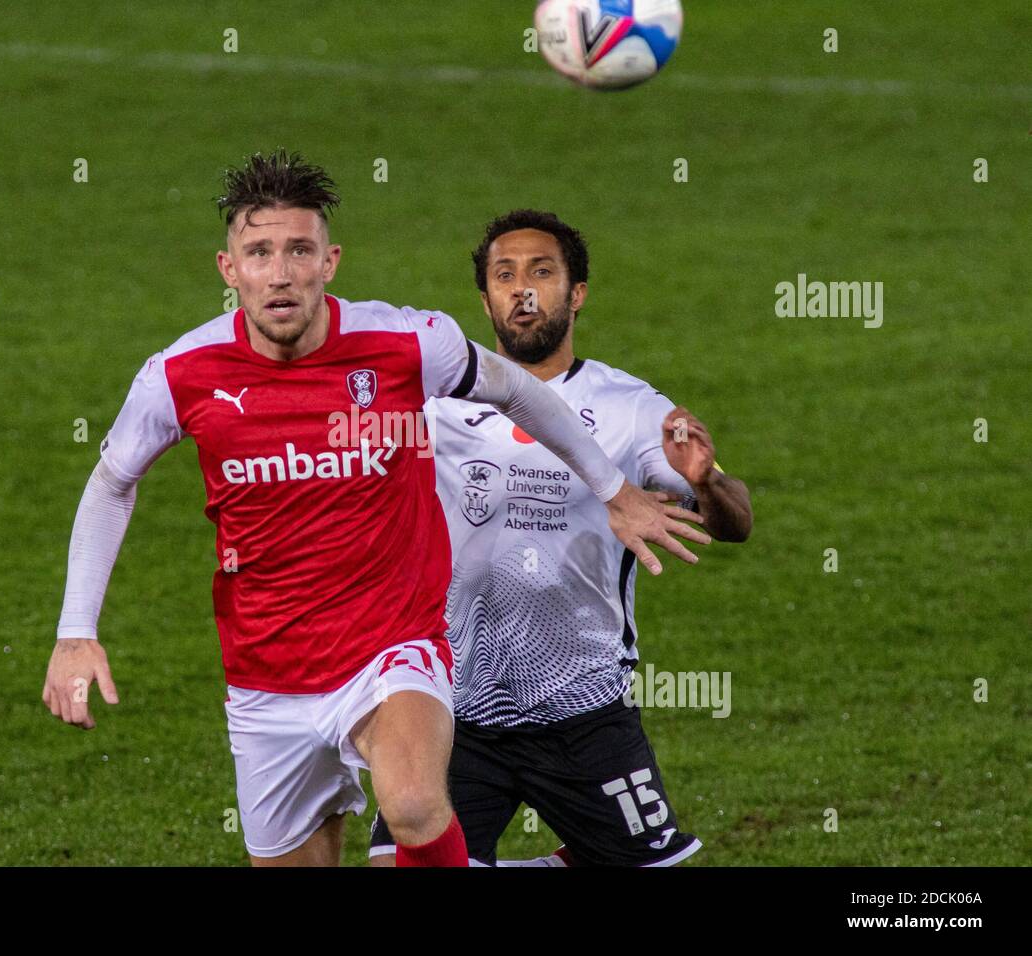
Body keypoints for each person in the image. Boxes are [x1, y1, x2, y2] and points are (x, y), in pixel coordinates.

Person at [42, 156, 708, 867]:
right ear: (228, 269)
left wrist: (612, 489)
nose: (281, 272)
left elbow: (517, 389)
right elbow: (113, 481)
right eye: (259, 253)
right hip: (267, 674)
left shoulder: (407, 343)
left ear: (330, 261)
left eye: (299, 250)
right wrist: (76, 631)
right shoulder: (180, 374)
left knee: (416, 802)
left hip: (392, 648)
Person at [370, 209, 751, 866]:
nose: (523, 292)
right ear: (484, 297)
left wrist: (707, 483)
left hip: (582, 711)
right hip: (451, 711)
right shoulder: (433, 403)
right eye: (505, 275)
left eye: (542, 273)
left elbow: (737, 521)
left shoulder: (631, 408)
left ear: (577, 293)